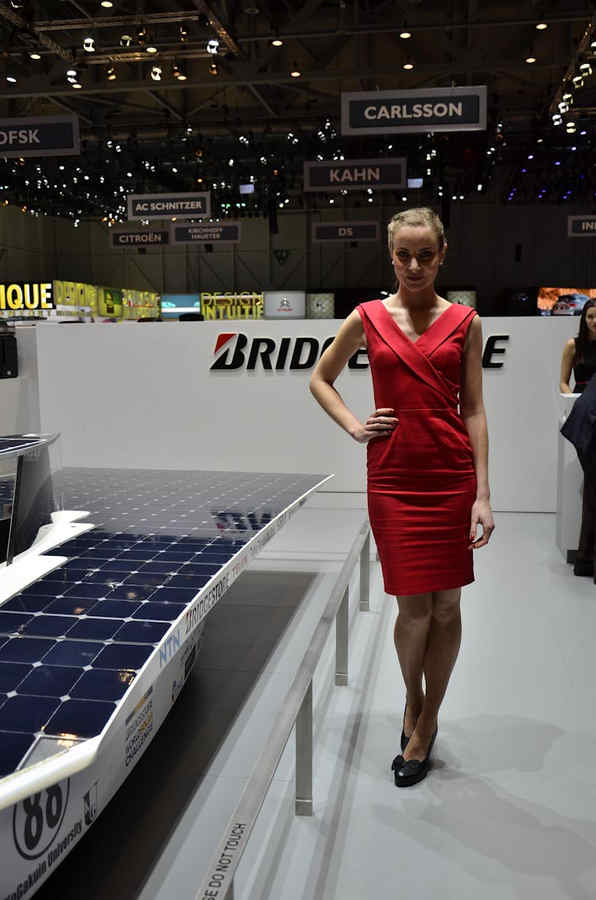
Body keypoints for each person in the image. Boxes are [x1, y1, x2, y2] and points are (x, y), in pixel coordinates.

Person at [309, 207, 494, 787]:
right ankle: (413, 698)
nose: (414, 266)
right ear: (391, 256)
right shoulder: (366, 317)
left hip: (451, 478)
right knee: (413, 612)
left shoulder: (465, 322)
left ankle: (427, 720)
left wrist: (483, 494)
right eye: (404, 255)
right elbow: (320, 378)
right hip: (393, 480)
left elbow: (474, 409)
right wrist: (354, 426)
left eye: (425, 255)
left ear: (442, 255)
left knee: (447, 608)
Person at [559, 298, 596, 576]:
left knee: (592, 486)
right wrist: (574, 399)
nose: (594, 321)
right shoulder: (573, 345)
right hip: (582, 412)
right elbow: (563, 381)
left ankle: (585, 557)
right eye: (590, 316)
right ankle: (585, 557)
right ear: (584, 318)